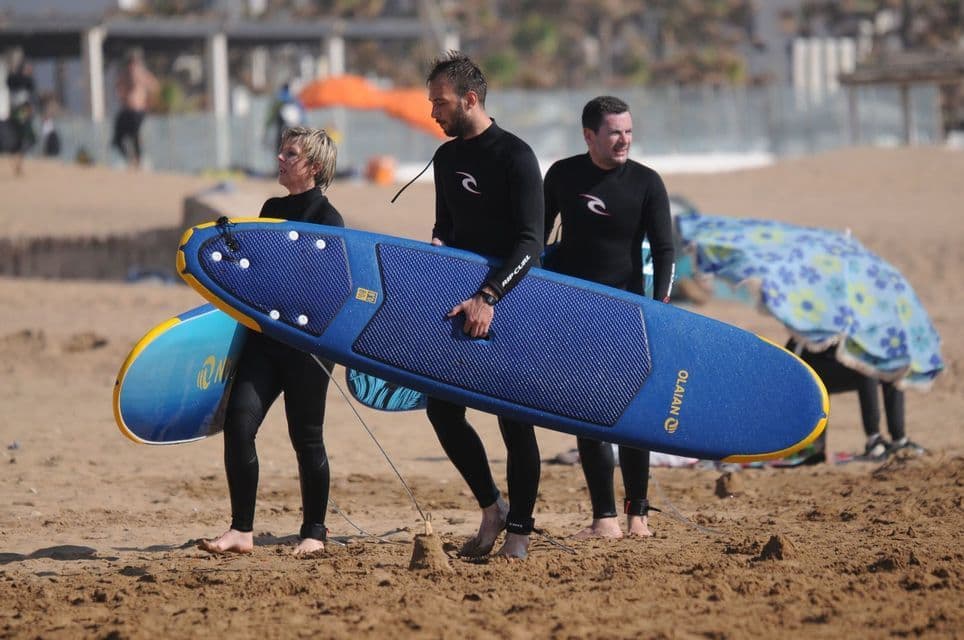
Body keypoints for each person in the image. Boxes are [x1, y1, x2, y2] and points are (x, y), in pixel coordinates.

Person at [198, 127, 344, 556]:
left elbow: (332, 287)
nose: (280, 158)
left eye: (291, 153)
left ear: (313, 166)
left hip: (305, 346)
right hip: (265, 339)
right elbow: (258, 270)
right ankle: (242, 530)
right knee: (240, 426)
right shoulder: (271, 208)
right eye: (281, 151)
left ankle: (314, 532)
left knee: (307, 438)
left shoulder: (328, 219)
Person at [425, 52, 544, 559]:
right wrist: (434, 255)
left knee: (514, 419)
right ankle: (492, 507)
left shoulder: (515, 156)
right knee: (443, 410)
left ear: (470, 99)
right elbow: (445, 231)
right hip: (462, 301)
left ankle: (518, 532)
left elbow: (531, 242)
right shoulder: (447, 159)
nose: (434, 112)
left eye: (441, 102)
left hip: (511, 298)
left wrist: (490, 295)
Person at [543, 96, 675, 539]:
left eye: (629, 131)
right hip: (577, 313)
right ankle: (605, 519)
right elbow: (537, 239)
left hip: (629, 312)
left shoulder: (646, 182)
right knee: (589, 414)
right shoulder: (563, 175)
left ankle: (638, 516)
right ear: (589, 135)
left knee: (632, 415)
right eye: (615, 132)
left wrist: (659, 306)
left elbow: (665, 249)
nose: (624, 141)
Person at [786, 338, 926, 461]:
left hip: (839, 363)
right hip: (811, 371)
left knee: (893, 367)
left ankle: (899, 440)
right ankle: (874, 440)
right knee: (866, 368)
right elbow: (793, 353)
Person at [112, 50, 159, 169]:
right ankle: (130, 160)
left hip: (137, 111)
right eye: (130, 62)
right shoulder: (124, 73)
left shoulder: (141, 73)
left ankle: (138, 162)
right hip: (126, 111)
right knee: (117, 139)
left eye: (134, 62)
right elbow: (118, 87)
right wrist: (123, 95)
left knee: (134, 136)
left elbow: (154, 86)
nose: (132, 65)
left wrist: (147, 103)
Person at [6, 54, 36, 176]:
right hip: (21, 111)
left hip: (17, 111)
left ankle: (17, 162)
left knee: (22, 138)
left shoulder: (13, 79)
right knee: (27, 137)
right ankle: (17, 163)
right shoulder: (23, 80)